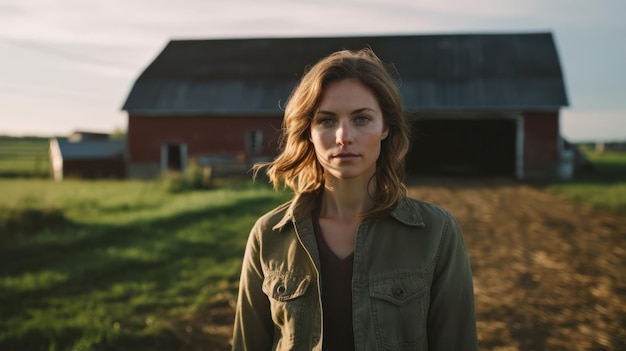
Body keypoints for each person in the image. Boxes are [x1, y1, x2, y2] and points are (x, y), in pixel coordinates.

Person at [232, 48, 477, 350]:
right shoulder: (268, 235)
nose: (343, 136)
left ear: (385, 127)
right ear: (308, 131)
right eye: (326, 120)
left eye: (361, 119)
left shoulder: (436, 232)